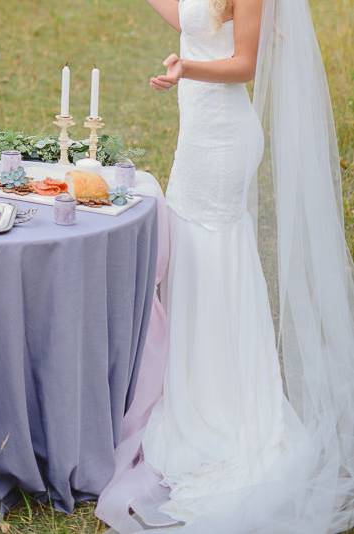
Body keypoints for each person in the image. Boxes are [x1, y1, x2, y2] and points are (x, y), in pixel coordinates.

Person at [96, 0, 354, 532]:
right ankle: (193, 384)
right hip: (197, 139)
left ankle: (226, 403)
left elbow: (244, 63)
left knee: (216, 261)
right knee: (192, 263)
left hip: (223, 141)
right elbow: (188, 18)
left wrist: (187, 67)